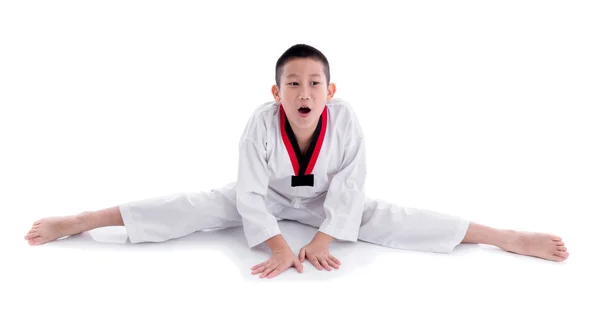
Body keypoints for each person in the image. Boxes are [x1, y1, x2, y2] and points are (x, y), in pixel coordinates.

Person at [23, 44, 569, 278]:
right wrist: (281, 247)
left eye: (313, 82)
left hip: (331, 201)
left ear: (330, 90)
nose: (303, 91)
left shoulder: (347, 118)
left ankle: (506, 236)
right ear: (276, 90)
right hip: (271, 197)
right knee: (191, 204)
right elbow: (249, 193)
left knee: (396, 217)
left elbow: (352, 187)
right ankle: (84, 221)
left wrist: (327, 237)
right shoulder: (260, 123)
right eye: (292, 83)